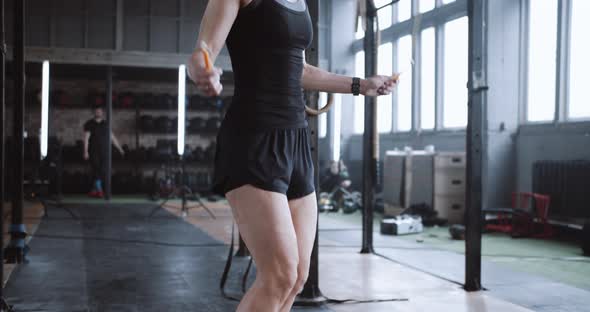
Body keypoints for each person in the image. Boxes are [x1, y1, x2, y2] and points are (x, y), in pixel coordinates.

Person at [187, 1, 396, 311]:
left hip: (296, 140)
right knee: (279, 276)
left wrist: (361, 85)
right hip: (254, 137)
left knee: (297, 277)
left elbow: (299, 69)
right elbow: (202, 51)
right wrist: (203, 70)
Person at [83, 105, 124, 198]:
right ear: (94, 113)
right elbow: (86, 138)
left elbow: (112, 137)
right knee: (96, 169)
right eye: (97, 111)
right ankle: (100, 191)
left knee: (102, 171)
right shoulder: (89, 124)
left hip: (105, 151)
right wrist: (85, 151)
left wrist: (120, 148)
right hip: (93, 151)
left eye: (100, 111)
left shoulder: (106, 124)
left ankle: (94, 190)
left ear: (102, 113)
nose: (98, 113)